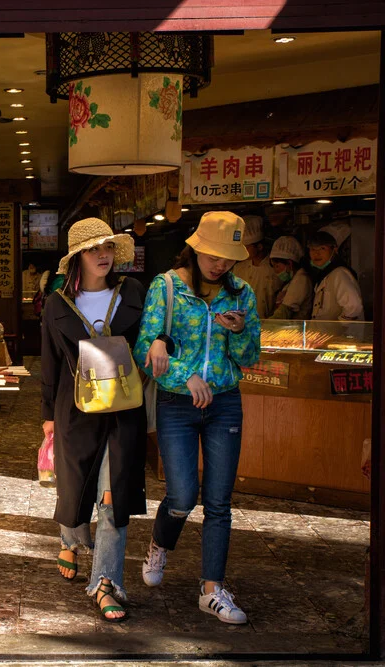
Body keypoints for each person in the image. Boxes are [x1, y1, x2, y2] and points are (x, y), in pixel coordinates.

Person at [135, 211, 261, 625]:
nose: (219, 264)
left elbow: (250, 358)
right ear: (195, 246)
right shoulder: (168, 287)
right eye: (212, 253)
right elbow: (144, 350)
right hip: (176, 404)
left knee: (219, 501)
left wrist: (241, 332)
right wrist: (183, 374)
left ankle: (212, 590)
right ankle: (159, 544)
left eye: (228, 257)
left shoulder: (241, 294)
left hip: (224, 402)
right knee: (183, 495)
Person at [40, 218, 147, 623]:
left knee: (112, 494)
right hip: (74, 409)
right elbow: (49, 362)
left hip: (124, 409)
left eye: (107, 247)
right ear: (77, 259)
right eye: (93, 249)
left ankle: (106, 582)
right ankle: (68, 536)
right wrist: (47, 416)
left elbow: (155, 332)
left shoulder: (133, 292)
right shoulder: (57, 303)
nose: (103, 254)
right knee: (73, 484)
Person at [308, 230, 364, 320]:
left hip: (340, 333)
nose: (316, 254)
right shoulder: (324, 275)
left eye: (322, 248)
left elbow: (354, 307)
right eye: (313, 249)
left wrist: (339, 327)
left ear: (334, 250)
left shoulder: (340, 273)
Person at [232, 215, 279, 319]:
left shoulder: (275, 269)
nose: (243, 251)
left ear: (259, 247)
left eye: (247, 247)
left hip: (268, 323)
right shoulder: (239, 268)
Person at [268, 236, 313, 320]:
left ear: (289, 263)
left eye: (277, 266)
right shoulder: (291, 281)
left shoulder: (301, 279)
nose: (275, 270)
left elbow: (284, 312)